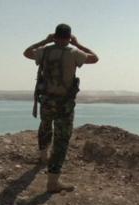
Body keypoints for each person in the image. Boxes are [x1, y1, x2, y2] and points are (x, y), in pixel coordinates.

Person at [23, 24, 98, 193]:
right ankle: (53, 181)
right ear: (69, 37)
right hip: (64, 103)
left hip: (46, 100)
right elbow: (94, 58)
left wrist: (46, 40)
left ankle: (43, 157)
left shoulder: (45, 50)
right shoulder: (74, 53)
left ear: (55, 36)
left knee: (45, 125)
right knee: (61, 140)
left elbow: (27, 52)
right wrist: (78, 44)